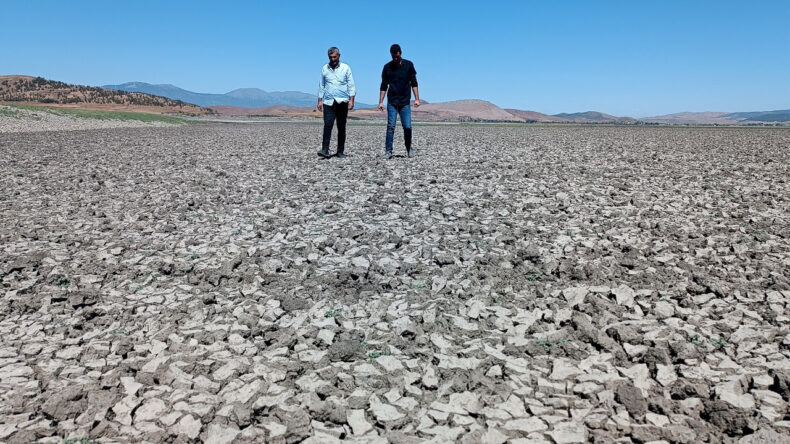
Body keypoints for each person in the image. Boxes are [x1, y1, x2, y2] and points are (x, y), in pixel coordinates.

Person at [379, 44, 420, 159]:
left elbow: (414, 83)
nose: (395, 58)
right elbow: (383, 85)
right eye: (393, 56)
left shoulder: (409, 65)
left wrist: (417, 98)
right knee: (391, 126)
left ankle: (408, 148)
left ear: (400, 53)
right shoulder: (387, 67)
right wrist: (381, 101)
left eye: (397, 56)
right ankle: (388, 151)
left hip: (405, 101)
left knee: (407, 126)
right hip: (392, 101)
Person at [317, 47, 356, 159]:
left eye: (334, 57)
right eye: (330, 57)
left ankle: (340, 151)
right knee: (327, 125)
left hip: (342, 101)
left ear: (339, 55)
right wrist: (320, 100)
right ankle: (325, 149)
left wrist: (351, 99)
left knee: (341, 126)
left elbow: (351, 84)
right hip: (328, 102)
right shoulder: (325, 68)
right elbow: (322, 85)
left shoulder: (346, 68)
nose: (333, 59)